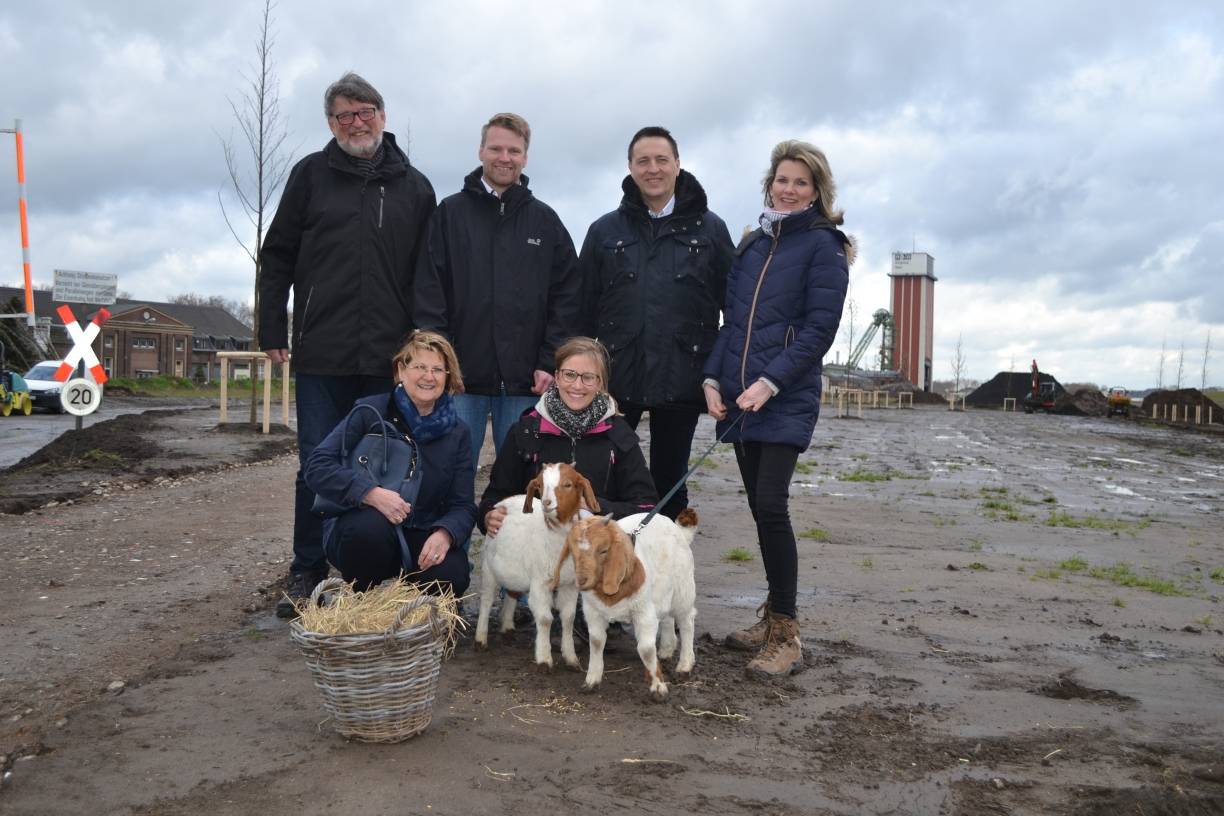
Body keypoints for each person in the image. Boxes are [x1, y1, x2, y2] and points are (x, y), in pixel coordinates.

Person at [259, 72, 437, 617]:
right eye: (344, 116)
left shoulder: (415, 186)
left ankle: (380, 571)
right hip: (321, 352)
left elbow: (428, 273)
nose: (356, 123)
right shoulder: (310, 176)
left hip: (390, 359)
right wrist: (271, 327)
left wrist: (425, 349)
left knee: (392, 463)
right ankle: (308, 567)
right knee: (319, 461)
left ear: (382, 116)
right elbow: (278, 254)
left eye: (365, 113)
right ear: (330, 123)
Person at [702, 140, 851, 677]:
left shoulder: (823, 246)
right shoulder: (753, 244)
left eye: (800, 183)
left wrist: (770, 382)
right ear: (769, 184)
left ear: (817, 192)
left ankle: (787, 633)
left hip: (783, 397)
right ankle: (772, 616)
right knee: (759, 510)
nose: (788, 189)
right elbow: (732, 324)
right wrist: (712, 379)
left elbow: (819, 332)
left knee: (772, 505)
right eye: (781, 180)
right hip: (742, 400)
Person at [578, 126, 734, 519]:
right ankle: (605, 568)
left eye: (661, 160)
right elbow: (581, 307)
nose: (653, 169)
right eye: (643, 161)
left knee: (670, 481)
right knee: (605, 477)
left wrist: (726, 373)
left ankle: (665, 572)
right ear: (630, 168)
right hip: (616, 376)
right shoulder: (604, 231)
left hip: (681, 375)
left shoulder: (711, 230)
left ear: (678, 165)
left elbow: (733, 307)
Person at [414, 112, 581, 470]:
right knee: (448, 473)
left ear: (525, 157)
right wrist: (441, 363)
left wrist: (549, 360)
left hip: (526, 383)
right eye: (496, 149)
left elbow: (567, 297)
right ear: (480, 152)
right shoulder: (450, 215)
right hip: (461, 381)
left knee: (524, 482)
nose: (504, 158)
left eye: (514, 151)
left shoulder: (545, 221)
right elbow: (429, 291)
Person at [303, 331, 476, 595]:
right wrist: (369, 493)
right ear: (400, 371)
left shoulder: (457, 431)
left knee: (452, 574)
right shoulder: (369, 412)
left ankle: (412, 613)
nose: (429, 377)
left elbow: (462, 505)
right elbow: (317, 465)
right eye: (419, 367)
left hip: (421, 531)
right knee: (369, 529)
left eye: (438, 370)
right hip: (362, 528)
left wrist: (445, 534)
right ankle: (362, 599)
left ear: (448, 377)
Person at [478, 336, 657, 538]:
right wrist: (488, 515)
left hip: (597, 552)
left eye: (588, 377)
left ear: (600, 383)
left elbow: (646, 507)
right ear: (556, 376)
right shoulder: (526, 430)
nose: (577, 386)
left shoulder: (618, 434)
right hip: (535, 550)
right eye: (569, 374)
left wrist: (592, 505)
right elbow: (494, 496)